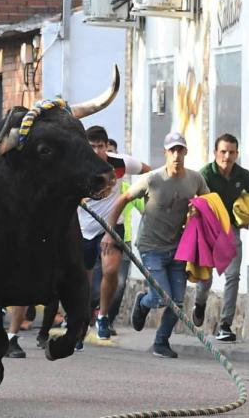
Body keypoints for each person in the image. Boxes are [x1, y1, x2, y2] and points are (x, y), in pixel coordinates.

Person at [108, 131, 209, 359]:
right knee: (161, 298)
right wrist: (110, 232)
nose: (176, 155)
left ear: (185, 152)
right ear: (165, 153)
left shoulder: (195, 180)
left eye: (180, 150)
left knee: (178, 302)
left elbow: (208, 204)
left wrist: (199, 212)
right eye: (172, 150)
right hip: (150, 247)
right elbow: (123, 199)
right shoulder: (152, 179)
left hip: (178, 248)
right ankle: (143, 303)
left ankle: (161, 342)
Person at [85, 126, 151, 340]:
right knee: (82, 280)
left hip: (112, 226)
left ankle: (103, 316)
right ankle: (80, 318)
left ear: (106, 147)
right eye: (91, 146)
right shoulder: (77, 164)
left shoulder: (119, 163)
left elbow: (149, 172)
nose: (96, 151)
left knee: (111, 270)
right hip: (83, 228)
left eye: (100, 146)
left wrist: (144, 196)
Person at [193, 134, 249, 343]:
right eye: (223, 151)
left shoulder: (243, 175)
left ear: (237, 154)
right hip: (208, 231)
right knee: (206, 277)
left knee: (233, 276)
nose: (227, 156)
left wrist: (248, 216)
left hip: (232, 231)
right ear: (215, 153)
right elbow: (194, 202)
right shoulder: (205, 175)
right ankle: (200, 303)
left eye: (231, 152)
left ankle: (226, 325)